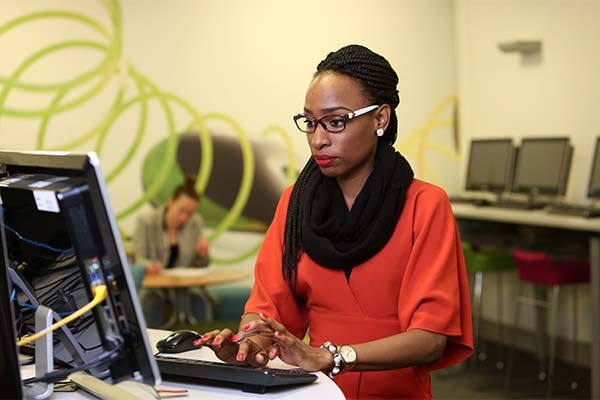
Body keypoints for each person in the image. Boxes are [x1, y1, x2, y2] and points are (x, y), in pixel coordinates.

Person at [197, 44, 473, 399]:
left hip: (396, 392)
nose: (318, 139)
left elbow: (430, 339)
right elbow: (268, 308)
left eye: (336, 121)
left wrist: (332, 356)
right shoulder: (295, 203)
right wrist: (248, 342)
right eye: (310, 122)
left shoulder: (425, 205)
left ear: (380, 119)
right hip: (316, 391)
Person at [133, 177, 210, 326]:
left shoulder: (196, 223)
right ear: (171, 202)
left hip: (184, 286)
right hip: (154, 285)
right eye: (182, 211)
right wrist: (149, 265)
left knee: (199, 300)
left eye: (190, 214)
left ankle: (205, 345)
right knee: (151, 301)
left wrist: (203, 254)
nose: (184, 217)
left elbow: (201, 265)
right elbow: (138, 259)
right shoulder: (145, 221)